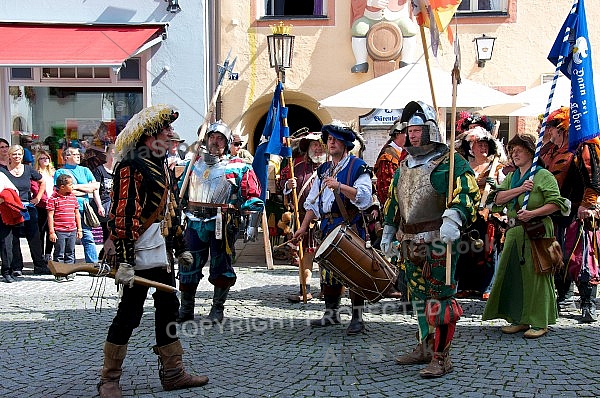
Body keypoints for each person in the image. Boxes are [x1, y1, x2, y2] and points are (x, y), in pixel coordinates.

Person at [98, 104, 208, 397]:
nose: (172, 134)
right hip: (137, 254)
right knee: (129, 314)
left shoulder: (160, 163)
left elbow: (171, 210)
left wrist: (181, 246)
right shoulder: (131, 165)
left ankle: (173, 373)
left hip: (161, 254)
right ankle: (109, 380)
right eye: (167, 130)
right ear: (150, 136)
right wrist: (124, 261)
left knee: (168, 310)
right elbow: (123, 216)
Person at [381, 101, 479, 377]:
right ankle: (425, 345)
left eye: (417, 129)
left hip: (439, 240)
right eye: (409, 130)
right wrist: (389, 230)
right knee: (420, 298)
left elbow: (468, 190)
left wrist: (455, 216)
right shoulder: (404, 166)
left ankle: (441, 356)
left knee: (441, 299)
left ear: (431, 130)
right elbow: (394, 201)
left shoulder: (450, 162)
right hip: (409, 241)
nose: (411, 134)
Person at [482, 133, 570, 339]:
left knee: (538, 275)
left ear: (532, 152)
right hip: (514, 232)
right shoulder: (513, 177)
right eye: (512, 151)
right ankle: (519, 318)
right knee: (513, 275)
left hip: (537, 231)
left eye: (519, 150)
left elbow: (556, 203)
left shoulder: (543, 176)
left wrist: (533, 213)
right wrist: (520, 189)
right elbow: (497, 199)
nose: (515, 154)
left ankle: (539, 321)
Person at [177, 121, 263, 324]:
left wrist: (252, 224)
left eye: (220, 138)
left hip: (222, 224)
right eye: (212, 137)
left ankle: (217, 309)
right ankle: (186, 308)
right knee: (187, 264)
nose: (215, 142)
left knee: (221, 265)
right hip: (194, 222)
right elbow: (179, 192)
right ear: (206, 139)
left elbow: (252, 196)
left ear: (227, 142)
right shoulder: (193, 164)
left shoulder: (238, 167)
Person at [293, 123, 373, 335]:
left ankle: (357, 318)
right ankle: (331, 314)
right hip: (328, 226)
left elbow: (364, 197)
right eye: (329, 139)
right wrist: (302, 228)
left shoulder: (358, 167)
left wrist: (340, 187)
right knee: (328, 272)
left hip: (350, 226)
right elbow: (312, 202)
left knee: (354, 272)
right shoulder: (324, 170)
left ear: (345, 144)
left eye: (336, 140)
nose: (331, 143)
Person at [454, 126, 507, 300]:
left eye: (485, 145)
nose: (483, 148)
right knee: (465, 251)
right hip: (468, 214)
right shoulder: (464, 167)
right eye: (479, 145)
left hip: (488, 215)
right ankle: (466, 286)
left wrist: (496, 185)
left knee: (487, 251)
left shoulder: (497, 168)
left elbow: (504, 190)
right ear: (472, 147)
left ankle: (486, 286)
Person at [540, 107, 583, 306]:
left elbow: (592, 180)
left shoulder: (581, 151)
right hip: (552, 212)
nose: (550, 134)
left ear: (563, 131)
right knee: (555, 255)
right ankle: (562, 295)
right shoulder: (549, 151)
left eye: (552, 130)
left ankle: (586, 301)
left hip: (576, 213)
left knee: (576, 257)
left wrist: (588, 204)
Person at [279, 132, 325, 302]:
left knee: (324, 256)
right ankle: (304, 289)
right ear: (308, 148)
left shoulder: (330, 167)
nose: (318, 148)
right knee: (305, 255)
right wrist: (287, 185)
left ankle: (327, 289)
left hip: (325, 221)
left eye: (321, 145)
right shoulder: (295, 167)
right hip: (302, 219)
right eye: (315, 145)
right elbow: (281, 184)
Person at [0, 145, 51, 276]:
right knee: (14, 238)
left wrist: (38, 197)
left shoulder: (28, 169)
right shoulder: (3, 171)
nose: (17, 156)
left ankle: (39, 265)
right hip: (11, 208)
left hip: (27, 206)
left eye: (19, 154)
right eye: (14, 154)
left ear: (23, 155)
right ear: (9, 156)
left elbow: (42, 181)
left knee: (34, 237)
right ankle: (17, 267)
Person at [54, 146, 104, 264]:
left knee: (87, 236)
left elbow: (95, 186)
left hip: (84, 208)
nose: (78, 156)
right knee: (69, 238)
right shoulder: (61, 172)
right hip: (68, 209)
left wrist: (74, 187)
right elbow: (64, 191)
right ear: (66, 157)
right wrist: (86, 189)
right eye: (75, 154)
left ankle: (92, 264)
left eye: (78, 154)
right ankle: (69, 264)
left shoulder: (85, 170)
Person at [350, 0, 418, 73]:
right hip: (371, 16)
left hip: (397, 15)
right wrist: (370, 2)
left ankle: (406, 61)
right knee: (359, 29)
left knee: (409, 29)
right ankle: (361, 62)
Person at [47, 174, 82, 282]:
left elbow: (77, 214)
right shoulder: (53, 199)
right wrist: (52, 232)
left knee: (70, 252)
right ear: (62, 187)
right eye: (70, 184)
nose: (73, 186)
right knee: (59, 252)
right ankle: (59, 272)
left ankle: (69, 271)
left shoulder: (73, 197)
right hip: (60, 230)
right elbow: (50, 215)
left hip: (72, 229)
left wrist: (79, 229)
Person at [32, 149, 56, 263]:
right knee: (41, 230)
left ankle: (48, 253)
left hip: (53, 204)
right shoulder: (35, 173)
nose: (45, 160)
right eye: (42, 158)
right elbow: (35, 190)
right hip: (41, 206)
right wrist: (46, 201)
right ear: (38, 160)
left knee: (51, 229)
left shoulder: (53, 172)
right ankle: (41, 254)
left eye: (47, 158)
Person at [92, 144, 115, 243]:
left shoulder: (119, 169)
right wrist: (99, 206)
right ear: (107, 154)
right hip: (105, 203)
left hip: (116, 204)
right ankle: (106, 252)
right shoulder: (99, 170)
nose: (113, 157)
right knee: (106, 230)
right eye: (112, 154)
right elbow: (95, 189)